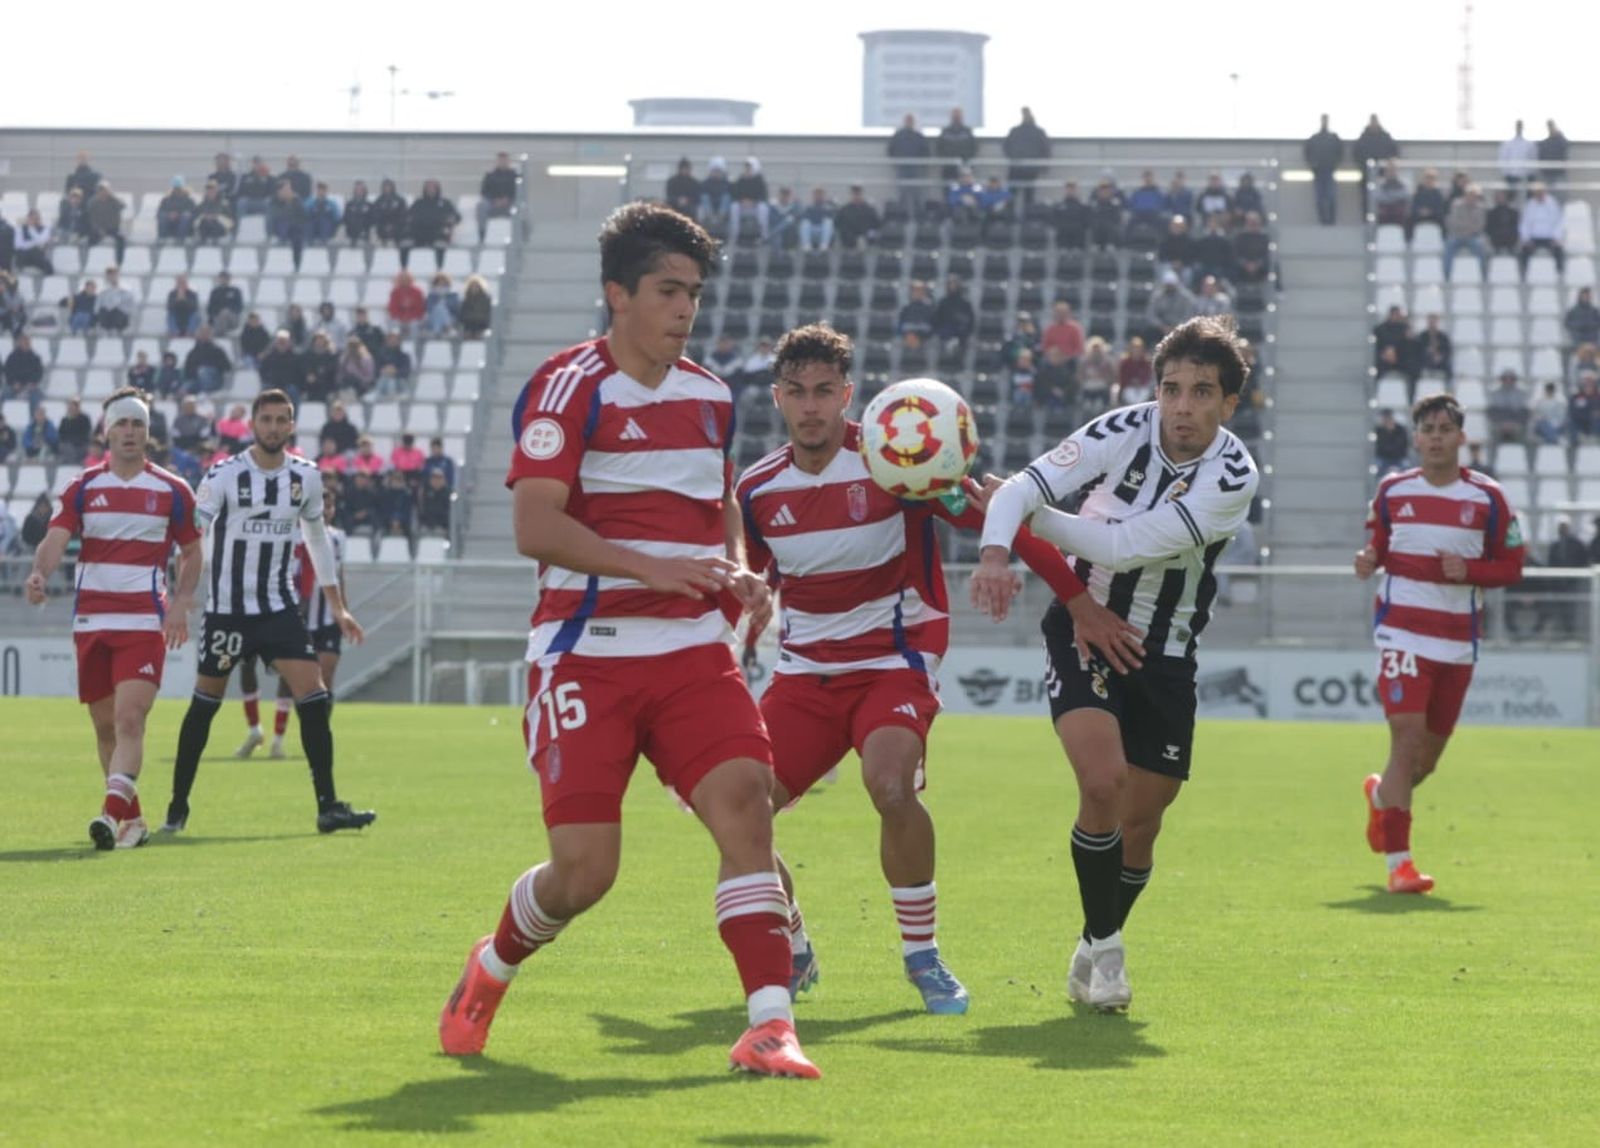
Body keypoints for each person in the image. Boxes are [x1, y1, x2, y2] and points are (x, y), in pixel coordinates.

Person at [437, 201, 818, 1079]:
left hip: (691, 653)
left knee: (747, 809)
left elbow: (718, 503)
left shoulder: (711, 395)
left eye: (694, 293)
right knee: (584, 874)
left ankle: (770, 1025)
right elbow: (536, 527)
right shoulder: (568, 386)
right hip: (586, 652)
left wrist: (737, 570)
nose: (686, 309)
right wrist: (653, 567)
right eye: (667, 291)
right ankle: (491, 966)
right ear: (619, 295)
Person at [737, 323, 1132, 1012]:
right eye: (796, 392)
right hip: (802, 676)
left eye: (824, 391)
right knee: (740, 813)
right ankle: (793, 942)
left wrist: (1078, 602)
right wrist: (742, 611)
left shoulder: (898, 457)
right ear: (777, 398)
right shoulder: (758, 488)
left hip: (892, 661)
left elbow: (1000, 514)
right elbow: (753, 574)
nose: (810, 406)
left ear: (847, 395)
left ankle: (923, 958)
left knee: (889, 785)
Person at [971, 314, 1261, 1012]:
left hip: (1165, 652)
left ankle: (1091, 941)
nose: (1181, 406)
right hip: (1082, 627)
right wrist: (994, 552)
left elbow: (1125, 547)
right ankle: (1109, 954)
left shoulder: (1233, 476)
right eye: (1171, 389)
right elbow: (1020, 486)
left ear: (1228, 404)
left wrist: (1032, 519)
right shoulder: (1122, 428)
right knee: (1102, 785)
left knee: (1143, 823)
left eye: (1201, 392)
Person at [162, 389, 373, 836]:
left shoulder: (306, 477)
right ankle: (177, 808)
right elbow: (193, 540)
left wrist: (338, 608)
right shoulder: (223, 475)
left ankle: (328, 806)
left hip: (278, 609)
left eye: (281, 420)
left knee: (313, 696)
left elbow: (317, 541)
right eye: (267, 420)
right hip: (227, 611)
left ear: (291, 425)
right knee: (204, 706)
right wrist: (182, 597)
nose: (274, 428)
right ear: (252, 424)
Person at [1355, 393, 1525, 894]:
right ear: (1416, 437)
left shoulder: (1489, 498)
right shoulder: (1392, 491)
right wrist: (1367, 559)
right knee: (1406, 738)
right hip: (1402, 632)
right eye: (1427, 429)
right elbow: (1377, 548)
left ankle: (1382, 799)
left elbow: (1512, 566)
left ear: (1461, 437)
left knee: (1424, 762)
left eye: (1444, 429)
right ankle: (1400, 865)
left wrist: (1469, 571)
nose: (1435, 438)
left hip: (1457, 642)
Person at [25, 388, 203, 850]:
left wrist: (181, 602)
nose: (129, 431)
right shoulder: (82, 487)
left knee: (129, 720)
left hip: (144, 622)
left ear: (148, 432)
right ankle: (133, 821)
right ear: (107, 432)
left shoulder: (172, 490)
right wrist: (40, 574)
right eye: (122, 423)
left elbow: (192, 550)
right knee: (105, 728)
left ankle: (108, 814)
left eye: (137, 424)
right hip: (92, 621)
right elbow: (55, 539)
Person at [238, 486, 351, 760]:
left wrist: (343, 612)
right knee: (287, 676)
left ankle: (316, 731)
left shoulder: (338, 539)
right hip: (293, 615)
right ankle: (280, 735)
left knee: (326, 674)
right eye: (321, 505)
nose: (325, 510)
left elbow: (340, 576)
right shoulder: (291, 536)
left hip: (327, 618)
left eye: (329, 505)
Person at [404, 180, 460, 271]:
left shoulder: (445, 203)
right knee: (405, 243)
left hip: (438, 234)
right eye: (428, 187)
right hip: (419, 234)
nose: (431, 190)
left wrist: (450, 220)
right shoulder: (418, 203)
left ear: (437, 189)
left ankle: (440, 270)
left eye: (433, 187)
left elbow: (457, 217)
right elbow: (408, 216)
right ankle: (405, 269)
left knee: (440, 244)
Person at [1002, 107, 1051, 207]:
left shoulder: (1017, 131)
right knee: (1016, 196)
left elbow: (1045, 149)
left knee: (1022, 196)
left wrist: (1042, 166)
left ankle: (1021, 215)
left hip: (1023, 168)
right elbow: (1046, 149)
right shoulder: (1036, 132)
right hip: (1022, 168)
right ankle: (1014, 214)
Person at [887, 113, 931, 215]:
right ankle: (901, 216)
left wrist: (921, 164)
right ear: (904, 122)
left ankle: (919, 216)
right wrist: (897, 161)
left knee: (917, 195)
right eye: (907, 120)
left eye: (911, 120)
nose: (909, 122)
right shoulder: (898, 136)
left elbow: (926, 152)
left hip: (916, 169)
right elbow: (890, 150)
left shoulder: (918, 136)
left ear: (913, 122)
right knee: (902, 194)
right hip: (902, 168)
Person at [1517, 182, 1564, 275]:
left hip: (1550, 238)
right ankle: (1524, 274)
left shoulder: (1552, 204)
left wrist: (1556, 238)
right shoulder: (1529, 205)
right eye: (1537, 192)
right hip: (1534, 238)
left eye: (1541, 192)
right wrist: (1526, 239)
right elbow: (1524, 223)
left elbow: (1559, 222)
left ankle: (1559, 273)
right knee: (1524, 251)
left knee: (1558, 250)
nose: (1539, 194)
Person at [1304, 114, 1343, 225]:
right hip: (1318, 170)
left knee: (1330, 196)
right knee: (1320, 197)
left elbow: (1340, 152)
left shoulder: (1332, 138)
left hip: (1329, 170)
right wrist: (1313, 164)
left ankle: (1331, 220)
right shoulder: (1315, 138)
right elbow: (1307, 152)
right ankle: (1323, 220)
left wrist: (1334, 163)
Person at [936, 108, 977, 184]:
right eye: (955, 116)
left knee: (964, 187)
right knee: (948, 187)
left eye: (958, 116)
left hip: (964, 166)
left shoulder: (967, 131)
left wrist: (965, 159)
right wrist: (946, 159)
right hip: (948, 167)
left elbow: (973, 147)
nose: (956, 118)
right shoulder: (945, 131)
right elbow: (939, 147)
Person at [1498, 120, 1537, 194]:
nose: (1519, 128)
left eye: (1520, 126)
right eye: (1518, 126)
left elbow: (1533, 159)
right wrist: (1506, 175)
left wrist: (1529, 173)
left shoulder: (1529, 144)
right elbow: (1503, 159)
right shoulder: (1507, 144)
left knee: (1529, 193)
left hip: (1526, 176)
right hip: (1511, 175)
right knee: (1511, 195)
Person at [16, 209, 54, 273]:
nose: (34, 221)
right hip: (24, 256)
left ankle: (48, 274)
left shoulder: (45, 229)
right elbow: (18, 245)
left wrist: (32, 229)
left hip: (38, 256)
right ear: (27, 219)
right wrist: (34, 243)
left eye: (36, 219)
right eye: (32, 219)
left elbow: (42, 241)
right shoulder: (20, 229)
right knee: (31, 251)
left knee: (46, 264)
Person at [57, 397, 93, 465]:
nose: (71, 409)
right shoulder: (64, 420)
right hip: (68, 445)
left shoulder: (84, 419)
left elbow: (86, 433)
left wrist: (74, 440)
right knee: (65, 447)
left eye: (72, 407)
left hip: (82, 444)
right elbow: (61, 435)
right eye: (69, 407)